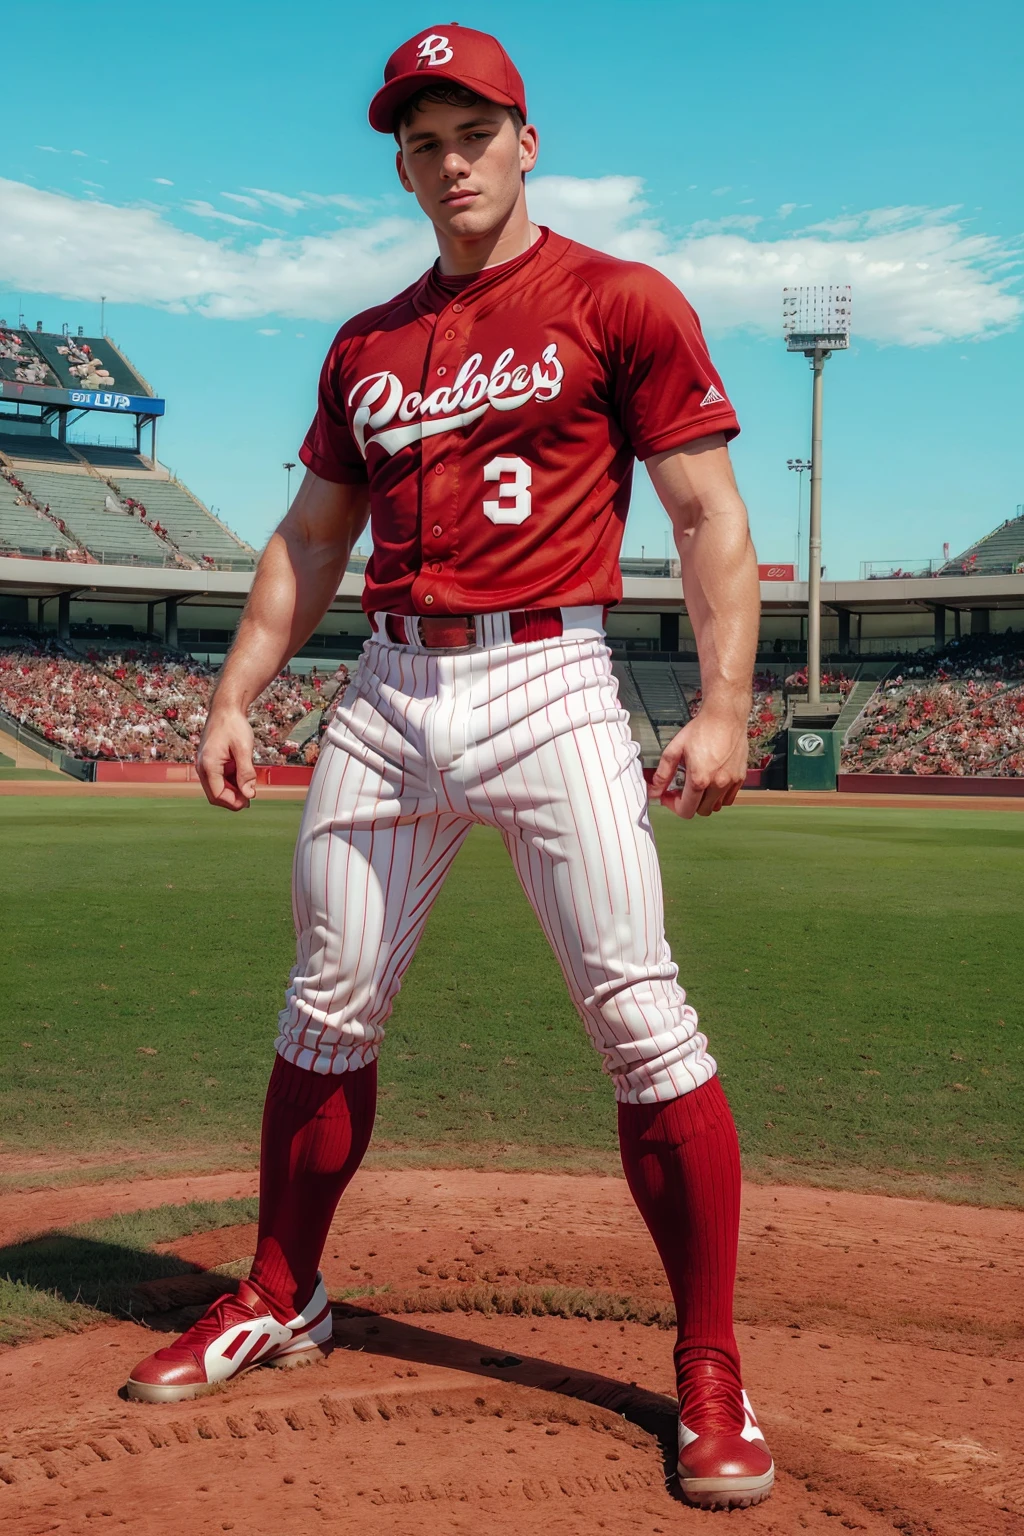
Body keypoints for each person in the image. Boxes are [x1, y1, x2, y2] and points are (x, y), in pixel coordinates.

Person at [125, 25, 771, 1512]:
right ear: (403, 164)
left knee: (641, 1013)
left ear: (525, 141)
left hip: (553, 678)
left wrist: (725, 704)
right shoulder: (366, 343)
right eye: (421, 139)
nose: (449, 158)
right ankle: (283, 1292)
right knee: (327, 1002)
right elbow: (307, 541)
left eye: (473, 129)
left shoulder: (620, 298)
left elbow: (708, 512)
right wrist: (239, 692)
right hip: (393, 682)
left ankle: (713, 1365)